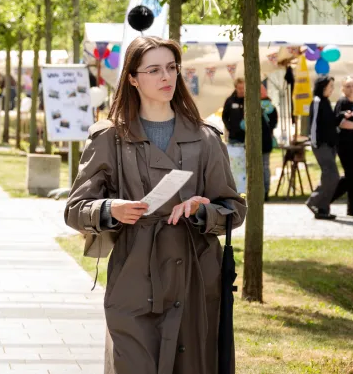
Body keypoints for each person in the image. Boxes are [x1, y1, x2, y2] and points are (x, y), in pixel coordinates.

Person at [64, 36, 246, 374]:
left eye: (172, 68)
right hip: (134, 273)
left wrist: (201, 210)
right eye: (154, 70)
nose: (166, 77)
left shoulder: (206, 137)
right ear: (132, 78)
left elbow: (233, 209)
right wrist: (110, 209)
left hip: (194, 272)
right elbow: (75, 209)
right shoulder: (109, 137)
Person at [306, 76, 344, 220]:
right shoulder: (316, 101)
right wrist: (315, 142)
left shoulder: (326, 102)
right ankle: (313, 201)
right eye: (330, 86)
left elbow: (330, 122)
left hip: (330, 145)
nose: (332, 89)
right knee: (333, 176)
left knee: (328, 176)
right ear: (323, 87)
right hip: (321, 145)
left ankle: (323, 209)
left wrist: (341, 116)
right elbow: (314, 124)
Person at [334, 77, 353, 216]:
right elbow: (341, 123)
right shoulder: (343, 102)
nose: (351, 88)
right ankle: (324, 198)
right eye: (348, 86)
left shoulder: (352, 103)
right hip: (345, 145)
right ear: (342, 88)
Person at [260, 84, 278, 201]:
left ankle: (258, 191)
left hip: (255, 142)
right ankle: (266, 191)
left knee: (255, 168)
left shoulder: (253, 107)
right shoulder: (272, 107)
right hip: (267, 141)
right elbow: (274, 124)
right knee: (266, 166)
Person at [222, 77, 245, 144]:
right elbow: (224, 117)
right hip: (234, 137)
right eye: (240, 88)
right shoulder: (230, 101)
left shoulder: (249, 101)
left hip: (248, 136)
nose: (242, 90)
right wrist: (230, 128)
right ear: (236, 88)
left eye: (243, 88)